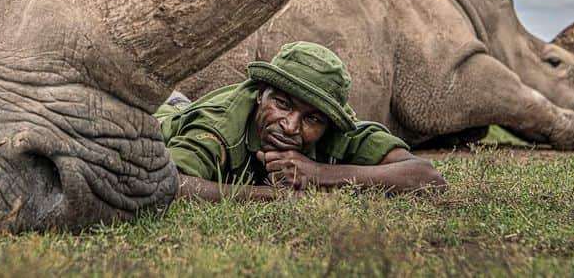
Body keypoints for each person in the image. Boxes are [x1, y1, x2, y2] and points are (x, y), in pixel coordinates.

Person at [155, 41, 446, 201]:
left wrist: (320, 174)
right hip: (162, 114)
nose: (291, 126)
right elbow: (169, 183)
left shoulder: (339, 131)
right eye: (282, 104)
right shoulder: (217, 126)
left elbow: (427, 178)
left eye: (312, 119)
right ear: (260, 94)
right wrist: (270, 196)